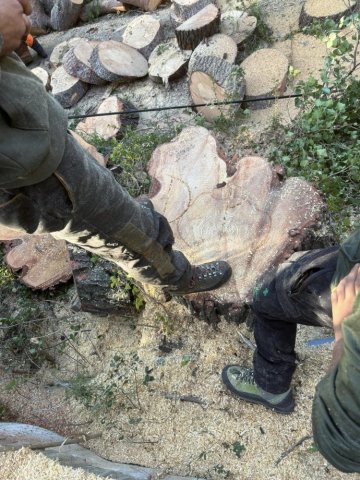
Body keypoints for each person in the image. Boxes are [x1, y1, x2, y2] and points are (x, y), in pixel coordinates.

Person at [0, 0, 231, 296]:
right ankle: (177, 278)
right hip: (33, 178)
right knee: (127, 233)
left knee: (109, 200)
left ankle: (128, 216)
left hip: (38, 141)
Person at [222, 229, 360, 472]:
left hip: (350, 281)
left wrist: (343, 332)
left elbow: (343, 440)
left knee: (263, 295)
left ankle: (271, 388)